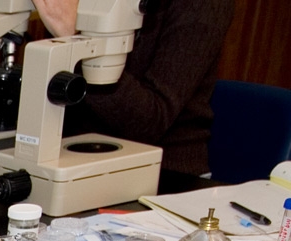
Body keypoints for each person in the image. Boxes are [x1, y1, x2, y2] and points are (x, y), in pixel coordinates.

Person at [33, 0, 234, 177]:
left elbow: (150, 122)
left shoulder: (203, 6)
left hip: (166, 177)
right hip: (73, 155)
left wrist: (80, 37)